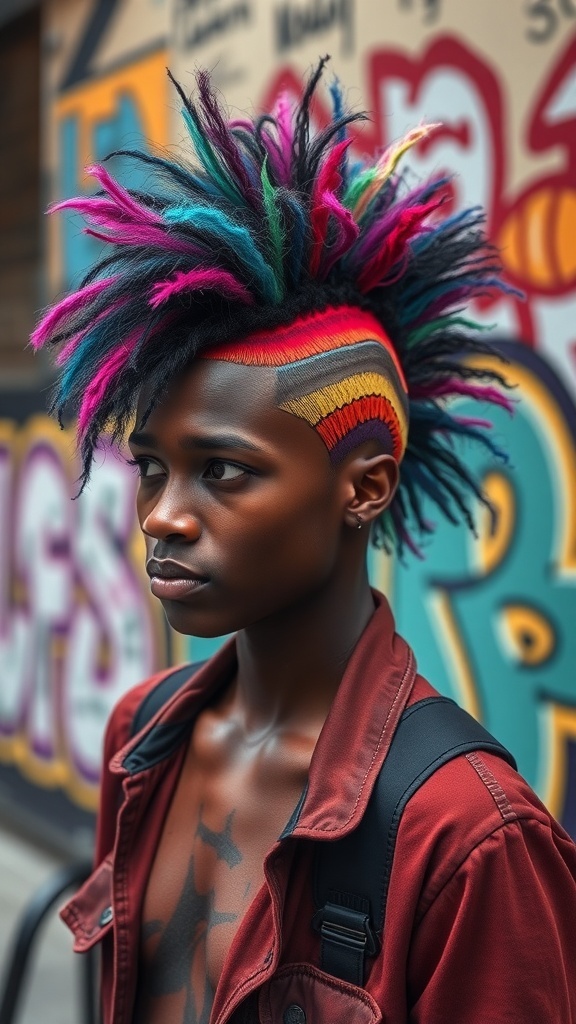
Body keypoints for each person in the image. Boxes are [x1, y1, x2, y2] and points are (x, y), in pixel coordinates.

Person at [33, 60, 576, 1024]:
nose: (162, 515)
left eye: (225, 471)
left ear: (362, 487)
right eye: (154, 467)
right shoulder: (140, 739)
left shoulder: (466, 835)